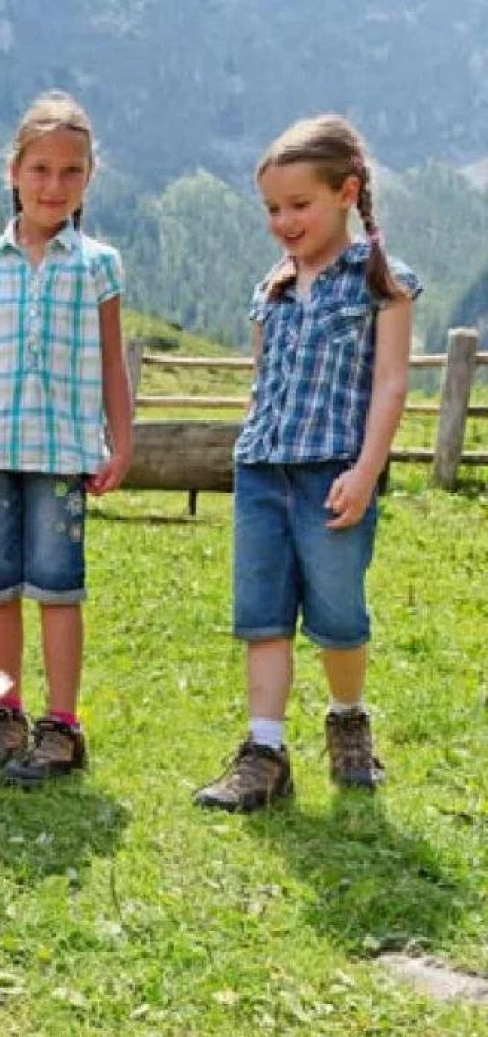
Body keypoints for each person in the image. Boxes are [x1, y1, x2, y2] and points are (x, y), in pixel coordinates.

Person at [194, 115, 421, 813]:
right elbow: (264, 383)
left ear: (346, 192)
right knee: (261, 615)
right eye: (271, 209)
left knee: (336, 614)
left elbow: (388, 384)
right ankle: (263, 752)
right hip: (262, 471)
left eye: (298, 205)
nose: (283, 222)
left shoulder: (381, 281)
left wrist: (364, 469)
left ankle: (346, 717)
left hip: (332, 475)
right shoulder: (273, 288)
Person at [0, 91, 133, 789]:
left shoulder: (97, 264)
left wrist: (119, 441)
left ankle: (60, 726)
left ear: (88, 180)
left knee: (58, 589)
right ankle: (5, 712)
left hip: (62, 452)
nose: (53, 186)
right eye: (39, 169)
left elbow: (109, 360)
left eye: (70, 173)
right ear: (12, 171)